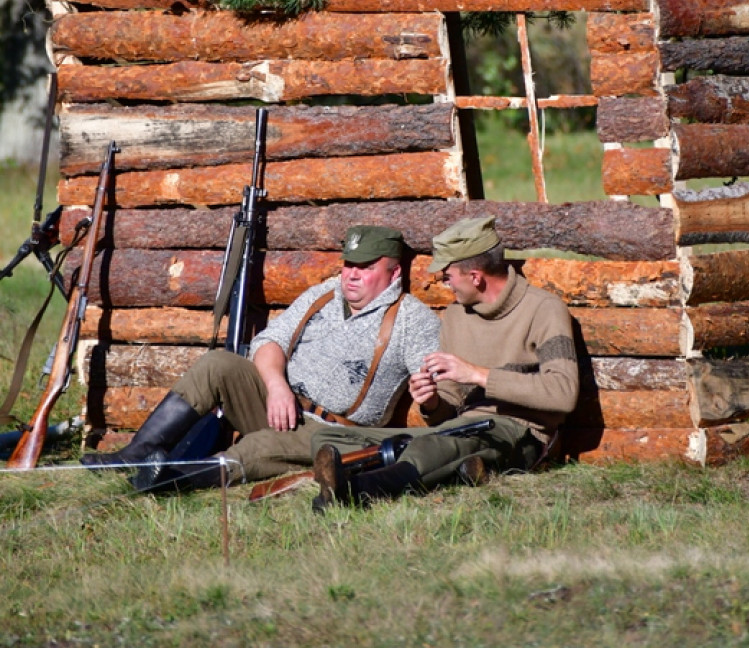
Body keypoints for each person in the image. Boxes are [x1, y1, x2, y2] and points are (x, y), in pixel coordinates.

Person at [81, 225, 441, 491]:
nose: (351, 274)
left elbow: (443, 396)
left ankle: (171, 480)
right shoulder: (323, 294)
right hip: (277, 401)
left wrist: (431, 400)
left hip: (335, 431)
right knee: (217, 365)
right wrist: (276, 385)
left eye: (364, 267)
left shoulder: (413, 320)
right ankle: (138, 453)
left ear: (393, 273)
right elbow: (271, 340)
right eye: (348, 263)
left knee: (258, 446)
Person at [312, 215, 579, 509]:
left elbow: (563, 392)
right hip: (460, 428)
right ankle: (459, 469)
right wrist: (431, 402)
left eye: (448, 275)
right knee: (331, 436)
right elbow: (447, 410)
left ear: (475, 276)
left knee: (441, 445)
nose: (444, 282)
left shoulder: (543, 309)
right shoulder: (455, 316)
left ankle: (358, 489)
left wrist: (478, 375)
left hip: (520, 431)